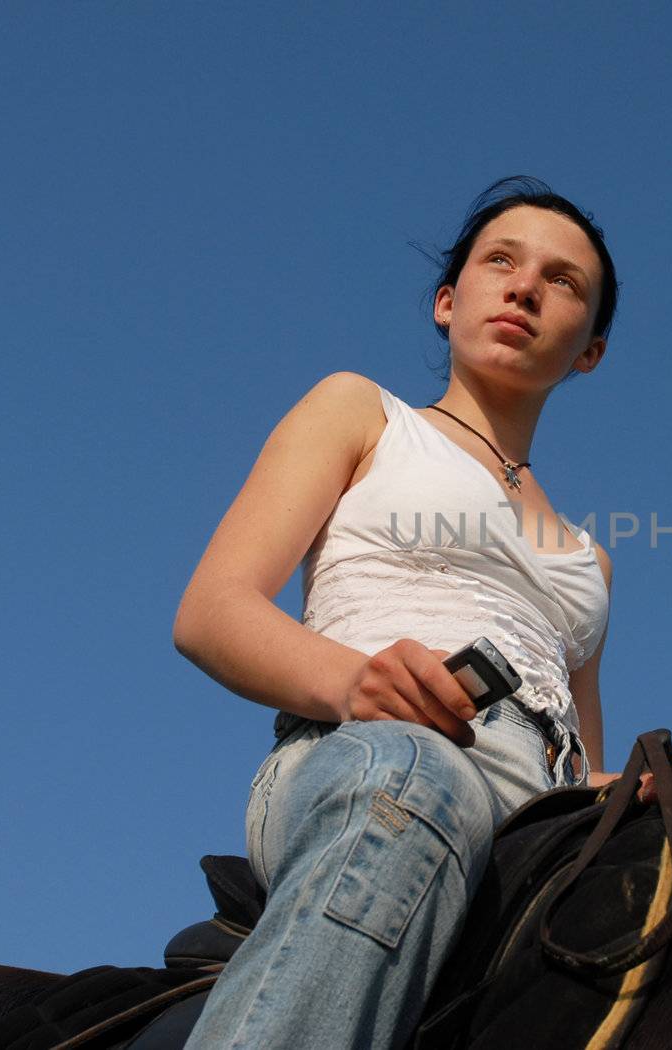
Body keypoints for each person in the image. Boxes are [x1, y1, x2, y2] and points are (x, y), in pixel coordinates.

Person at [172, 176, 621, 1049]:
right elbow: (211, 611)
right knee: (419, 781)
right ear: (448, 303)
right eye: (502, 261)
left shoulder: (590, 559)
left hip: (536, 814)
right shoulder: (362, 411)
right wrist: (357, 682)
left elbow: (583, 764)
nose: (526, 286)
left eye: (564, 281)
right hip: (364, 756)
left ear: (590, 352)